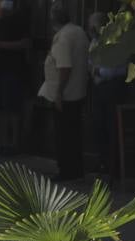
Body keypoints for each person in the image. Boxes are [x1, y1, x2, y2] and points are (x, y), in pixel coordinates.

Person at [37, 3, 89, 182]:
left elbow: (65, 67)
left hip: (66, 94)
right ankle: (76, 169)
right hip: (79, 90)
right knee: (74, 133)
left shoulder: (63, 37)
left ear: (53, 19)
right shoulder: (79, 31)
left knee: (64, 134)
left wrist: (59, 93)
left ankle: (67, 170)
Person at [0, 0, 30, 155]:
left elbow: (25, 43)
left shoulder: (19, 21)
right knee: (2, 108)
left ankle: (13, 143)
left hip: (13, 70)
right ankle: (3, 142)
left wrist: (1, 45)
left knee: (13, 108)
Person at [87, 12, 127, 176]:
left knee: (112, 127)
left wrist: (97, 70)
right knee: (99, 126)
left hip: (112, 88)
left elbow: (111, 70)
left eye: (92, 25)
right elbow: (90, 62)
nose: (90, 28)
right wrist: (94, 70)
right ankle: (102, 161)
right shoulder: (95, 41)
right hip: (98, 87)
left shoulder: (115, 42)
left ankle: (113, 165)